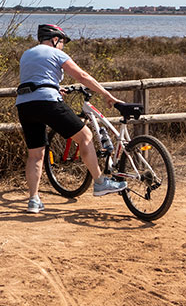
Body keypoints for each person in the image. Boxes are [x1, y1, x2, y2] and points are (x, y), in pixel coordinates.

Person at [16, 23, 127, 214]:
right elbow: (82, 76)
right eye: (62, 42)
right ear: (54, 39)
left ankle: (33, 200)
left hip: (24, 104)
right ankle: (100, 182)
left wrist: (55, 86)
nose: (63, 46)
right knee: (85, 136)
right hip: (47, 101)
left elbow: (35, 79)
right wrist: (106, 94)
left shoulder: (27, 54)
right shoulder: (57, 54)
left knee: (35, 154)